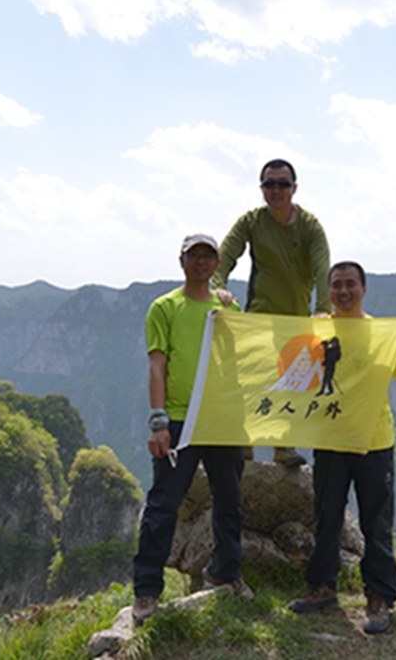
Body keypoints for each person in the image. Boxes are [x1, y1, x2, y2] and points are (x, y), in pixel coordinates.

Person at [288, 261, 396, 635]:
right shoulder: (317, 331)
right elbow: (289, 369)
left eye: (350, 284)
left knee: (376, 523)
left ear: (364, 289)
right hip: (331, 439)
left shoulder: (381, 334)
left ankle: (379, 596)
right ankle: (322, 588)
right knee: (327, 517)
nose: (343, 291)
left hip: (374, 442)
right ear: (330, 291)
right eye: (336, 285)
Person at [132, 234, 253, 624]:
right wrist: (158, 421)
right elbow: (156, 366)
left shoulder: (225, 307)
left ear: (217, 263)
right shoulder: (164, 307)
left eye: (208, 256)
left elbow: (246, 355)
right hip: (179, 419)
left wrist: (232, 312)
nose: (201, 262)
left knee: (230, 500)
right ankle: (147, 591)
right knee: (163, 503)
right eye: (194, 256)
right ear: (182, 261)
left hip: (220, 417)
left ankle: (226, 572)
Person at [212, 158, 332, 467]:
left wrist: (323, 310)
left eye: (283, 184)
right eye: (270, 184)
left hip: (297, 319)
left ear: (294, 188)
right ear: (262, 188)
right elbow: (224, 257)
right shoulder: (251, 221)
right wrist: (219, 287)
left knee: (293, 383)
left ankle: (284, 448)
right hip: (259, 315)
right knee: (252, 380)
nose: (276, 190)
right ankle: (245, 447)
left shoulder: (310, 226)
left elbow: (322, 267)